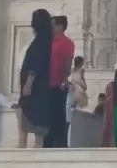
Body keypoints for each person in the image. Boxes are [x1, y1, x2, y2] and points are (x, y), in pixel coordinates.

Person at [19, 9, 55, 148]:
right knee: (39, 130)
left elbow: (36, 64)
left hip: (34, 91)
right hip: (42, 90)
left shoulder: (40, 42)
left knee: (26, 126)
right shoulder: (47, 40)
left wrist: (28, 83)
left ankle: (23, 154)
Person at [47, 14, 76, 148]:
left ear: (59, 26)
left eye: (52, 25)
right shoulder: (47, 41)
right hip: (45, 85)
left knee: (58, 118)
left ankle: (59, 145)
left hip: (57, 85)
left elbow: (67, 64)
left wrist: (63, 80)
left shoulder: (66, 43)